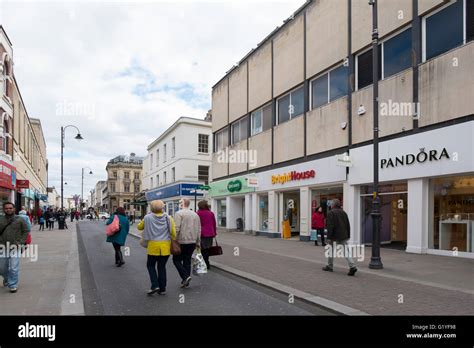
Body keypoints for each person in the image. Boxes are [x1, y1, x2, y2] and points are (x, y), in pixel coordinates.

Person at [137, 200, 176, 295]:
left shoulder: (147, 217)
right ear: (162, 207)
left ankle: (155, 285)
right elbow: (173, 233)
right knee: (162, 267)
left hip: (153, 246)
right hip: (165, 247)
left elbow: (139, 227)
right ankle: (162, 289)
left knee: (150, 266)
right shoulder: (168, 218)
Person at [0, 202, 30, 293]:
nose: (8, 210)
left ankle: (12, 284)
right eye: (6, 208)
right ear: (3, 209)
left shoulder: (20, 219)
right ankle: (7, 278)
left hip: (15, 246)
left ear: (14, 209)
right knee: (2, 268)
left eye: (10, 208)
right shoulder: (0, 219)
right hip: (2, 246)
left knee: (13, 267)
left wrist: (21, 242)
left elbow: (26, 230)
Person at [322, 199, 357, 276]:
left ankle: (330, 266)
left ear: (333, 205)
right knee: (346, 251)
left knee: (330, 251)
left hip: (334, 236)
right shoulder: (344, 212)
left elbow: (330, 226)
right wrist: (348, 235)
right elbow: (347, 225)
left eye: (331, 204)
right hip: (343, 235)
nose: (330, 205)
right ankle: (352, 266)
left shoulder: (331, 213)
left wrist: (328, 237)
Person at [172, 198, 201, 289]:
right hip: (192, 241)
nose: (179, 203)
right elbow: (199, 229)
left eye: (180, 202)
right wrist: (198, 241)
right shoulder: (195, 214)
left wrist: (174, 240)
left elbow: (176, 228)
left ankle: (185, 277)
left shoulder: (179, 213)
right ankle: (185, 281)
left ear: (183, 204)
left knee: (176, 260)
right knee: (187, 260)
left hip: (182, 241)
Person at [196, 200, 217, 270]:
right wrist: (214, 232)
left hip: (202, 234)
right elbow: (214, 223)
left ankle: (205, 264)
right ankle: (206, 263)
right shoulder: (211, 213)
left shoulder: (198, 213)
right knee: (207, 249)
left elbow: (196, 225)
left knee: (202, 249)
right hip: (210, 233)